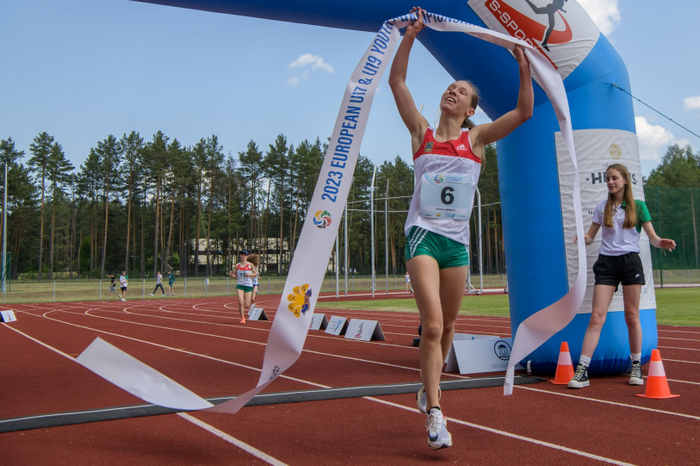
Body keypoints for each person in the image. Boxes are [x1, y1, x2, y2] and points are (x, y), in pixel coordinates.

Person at [389, 7, 533, 449]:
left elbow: (524, 112)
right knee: (432, 325)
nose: (453, 90)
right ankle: (435, 412)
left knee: (449, 325)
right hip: (423, 236)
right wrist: (410, 37)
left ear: (471, 109)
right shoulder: (422, 133)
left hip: (457, 245)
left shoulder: (478, 139)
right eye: (451, 87)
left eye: (463, 91)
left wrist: (523, 67)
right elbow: (398, 83)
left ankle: (427, 386)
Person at [568, 163, 676, 389]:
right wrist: (582, 239)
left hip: (630, 262)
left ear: (625, 180)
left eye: (614, 178)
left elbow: (653, 238)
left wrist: (661, 242)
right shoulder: (602, 207)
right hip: (606, 263)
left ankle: (635, 366)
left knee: (632, 315)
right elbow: (590, 236)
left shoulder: (638, 206)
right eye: (607, 178)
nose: (610, 182)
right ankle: (582, 370)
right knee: (597, 316)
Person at [230, 249, 257, 324]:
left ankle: (247, 308)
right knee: (240, 302)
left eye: (245, 255)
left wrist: (250, 275)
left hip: (248, 285)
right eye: (242, 254)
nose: (243, 256)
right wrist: (232, 275)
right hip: (240, 285)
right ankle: (243, 318)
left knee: (247, 304)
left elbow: (255, 274)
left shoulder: (250, 265)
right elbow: (234, 274)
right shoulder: (237, 265)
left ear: (247, 256)